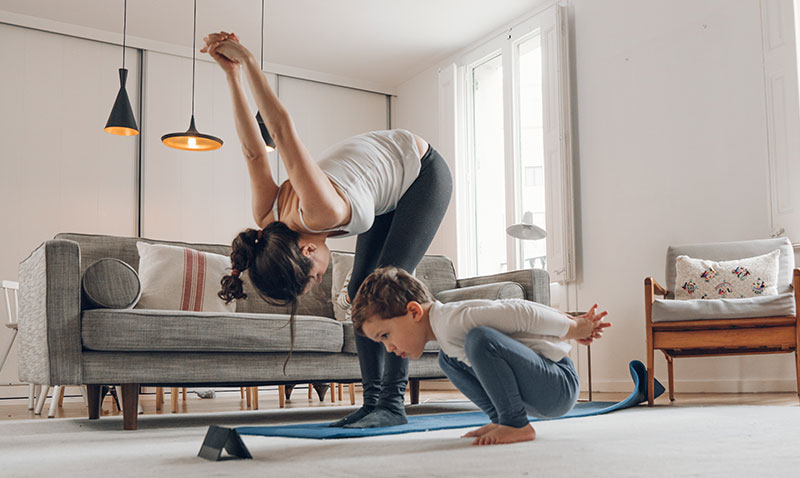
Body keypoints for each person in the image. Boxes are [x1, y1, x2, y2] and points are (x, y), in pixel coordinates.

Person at [201, 32, 452, 428]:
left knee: (385, 287)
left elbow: (280, 131)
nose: (320, 279)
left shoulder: (317, 212)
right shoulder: (269, 217)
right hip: (385, 189)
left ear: (306, 252)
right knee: (359, 293)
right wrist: (230, 76)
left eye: (313, 278)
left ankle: (391, 404)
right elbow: (252, 151)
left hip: (421, 172)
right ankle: (374, 403)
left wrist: (247, 63)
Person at [351, 267, 611, 445]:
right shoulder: (445, 332)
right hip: (541, 389)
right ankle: (501, 419)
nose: (389, 348)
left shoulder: (454, 319)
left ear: (414, 312)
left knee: (481, 340)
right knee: (448, 359)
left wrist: (575, 327)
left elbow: (521, 312)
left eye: (385, 335)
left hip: (558, 384)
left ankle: (515, 424)